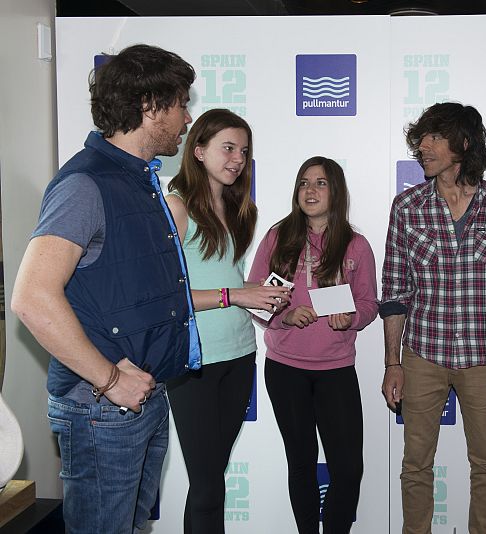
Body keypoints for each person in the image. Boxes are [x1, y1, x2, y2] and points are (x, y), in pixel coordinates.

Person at [11, 44, 200, 533]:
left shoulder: (141, 181)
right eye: (181, 103)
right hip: (102, 407)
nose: (186, 116)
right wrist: (111, 381)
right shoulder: (84, 185)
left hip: (142, 397)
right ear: (149, 106)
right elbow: (32, 297)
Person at [380, 102, 486, 534]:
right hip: (423, 354)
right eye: (420, 138)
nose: (422, 146)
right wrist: (393, 363)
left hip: (485, 357)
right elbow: (394, 292)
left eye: (433, 137)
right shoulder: (407, 206)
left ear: (463, 143)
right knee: (416, 464)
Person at [165, 109, 291, 533]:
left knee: (213, 480)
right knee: (205, 486)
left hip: (240, 355)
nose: (237, 159)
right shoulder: (176, 207)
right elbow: (167, 297)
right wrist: (238, 294)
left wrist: (258, 295)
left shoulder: (238, 208)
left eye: (243, 151)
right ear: (198, 150)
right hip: (195, 361)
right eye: (228, 148)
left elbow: (223, 277)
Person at [248, 156, 378, 534]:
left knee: (348, 468)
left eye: (320, 183)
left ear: (335, 191)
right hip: (286, 368)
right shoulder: (277, 237)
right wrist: (284, 316)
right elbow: (255, 295)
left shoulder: (356, 246)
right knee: (301, 462)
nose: (310, 190)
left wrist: (351, 318)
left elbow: (369, 303)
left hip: (335, 370)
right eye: (304, 182)